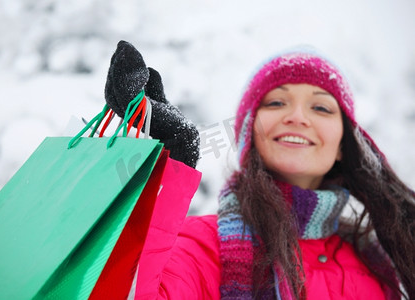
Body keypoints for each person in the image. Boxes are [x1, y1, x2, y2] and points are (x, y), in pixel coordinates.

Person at [105, 41, 415, 299]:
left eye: (320, 107)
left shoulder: (381, 261)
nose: (297, 116)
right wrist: (167, 175)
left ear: (344, 145)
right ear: (249, 135)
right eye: (276, 103)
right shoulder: (201, 244)